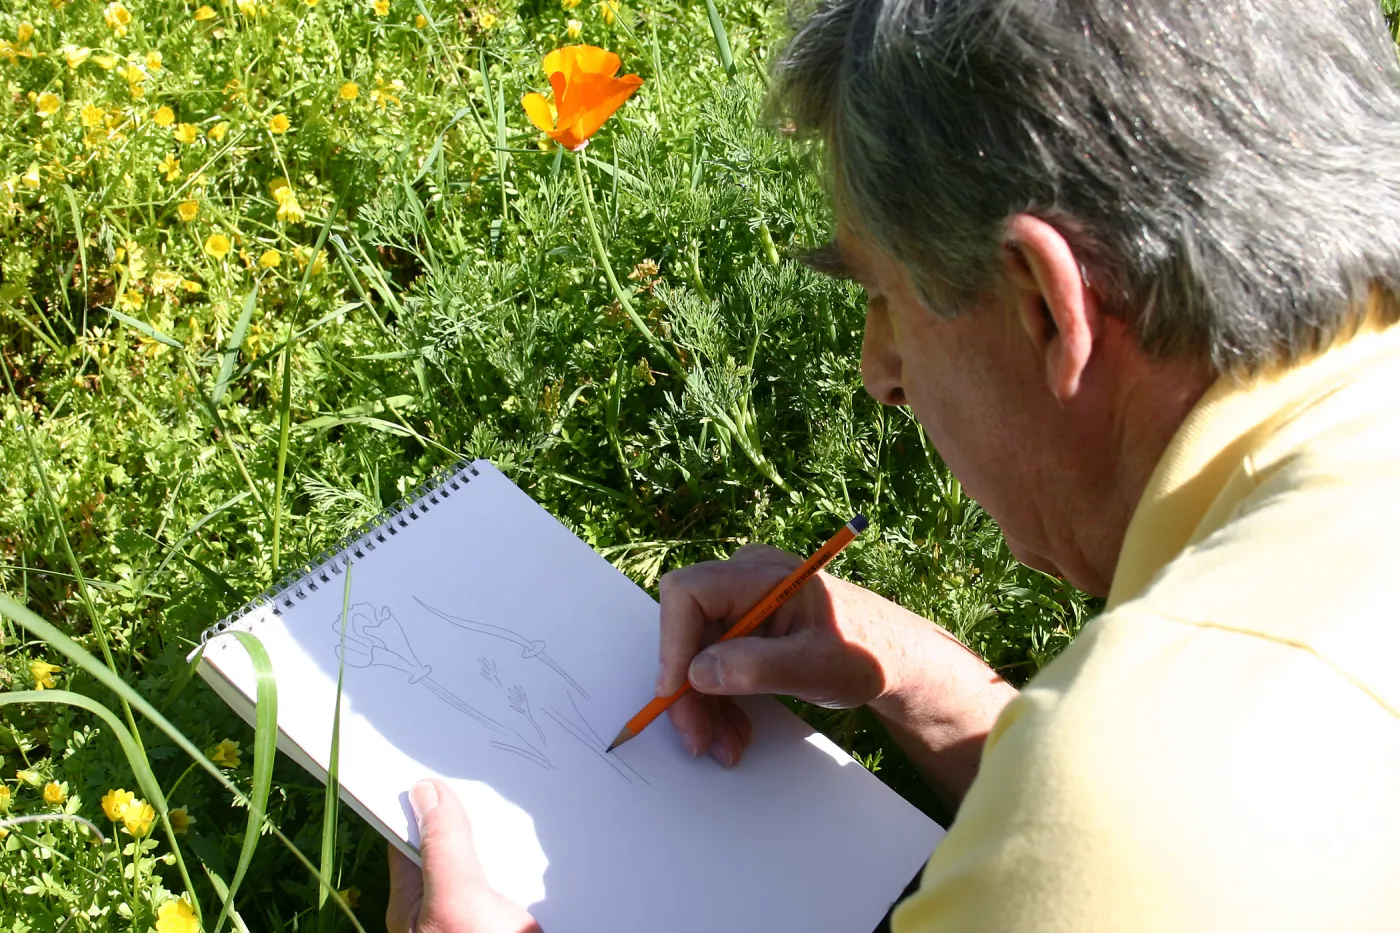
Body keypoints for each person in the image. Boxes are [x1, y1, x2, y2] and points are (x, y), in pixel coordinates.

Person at [387, 0, 1400, 929]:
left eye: (883, 298)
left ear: (1044, 306)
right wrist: (931, 688)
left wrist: (1069, 787)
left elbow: (1141, 839)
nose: (880, 373)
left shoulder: (1139, 813)